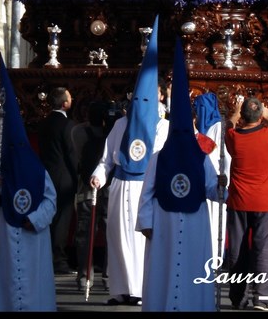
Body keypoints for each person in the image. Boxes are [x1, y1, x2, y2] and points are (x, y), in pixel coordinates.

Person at [136, 38, 226, 311]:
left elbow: (213, 191)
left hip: (196, 225)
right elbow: (147, 193)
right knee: (163, 273)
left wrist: (221, 185)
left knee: (191, 272)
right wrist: (146, 222)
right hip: (163, 223)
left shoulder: (201, 158)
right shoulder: (159, 158)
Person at [90, 16, 169, 306]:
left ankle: (140, 290)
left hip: (145, 188)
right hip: (120, 187)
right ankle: (119, 289)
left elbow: (160, 158)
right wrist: (99, 175)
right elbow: (106, 159)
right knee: (117, 238)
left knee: (139, 240)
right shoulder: (121, 125)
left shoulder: (163, 127)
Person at [0, 56, 57, 311]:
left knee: (33, 285)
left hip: (32, 235)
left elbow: (51, 200)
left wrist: (35, 219)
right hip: (5, 234)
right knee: (8, 284)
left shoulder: (37, 170)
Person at [225, 96, 268, 311]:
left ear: (243, 116)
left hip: (239, 201)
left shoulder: (233, 136)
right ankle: (261, 298)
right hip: (264, 202)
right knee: (263, 251)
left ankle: (238, 297)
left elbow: (228, 125)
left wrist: (235, 112)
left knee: (237, 251)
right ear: (260, 116)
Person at [71, 100, 111, 293]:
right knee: (111, 233)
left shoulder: (78, 132)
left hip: (86, 187)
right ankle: (109, 275)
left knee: (85, 234)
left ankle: (84, 276)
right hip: (109, 187)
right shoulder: (112, 133)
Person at [37, 86, 78, 274]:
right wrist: (79, 174)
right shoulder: (68, 125)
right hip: (64, 178)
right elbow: (71, 153)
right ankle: (59, 259)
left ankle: (45, 255)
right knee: (62, 219)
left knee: (49, 216)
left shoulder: (43, 124)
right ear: (65, 103)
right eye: (70, 98)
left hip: (46, 175)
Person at [193, 91, 231, 264]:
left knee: (215, 222)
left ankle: (215, 258)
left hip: (214, 182)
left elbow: (225, 158)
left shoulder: (218, 126)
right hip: (201, 183)